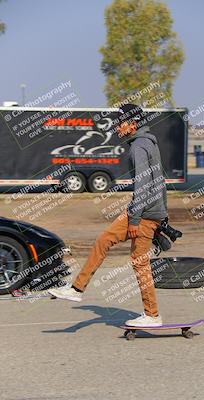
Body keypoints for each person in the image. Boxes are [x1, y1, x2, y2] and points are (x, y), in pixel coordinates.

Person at [49, 103, 168, 327]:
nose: (117, 126)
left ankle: (152, 315)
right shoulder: (147, 143)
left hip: (143, 213)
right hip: (145, 210)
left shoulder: (139, 147)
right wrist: (163, 213)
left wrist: (136, 220)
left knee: (139, 262)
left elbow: (143, 185)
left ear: (133, 124)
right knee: (104, 240)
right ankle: (76, 289)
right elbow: (159, 181)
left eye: (120, 122)